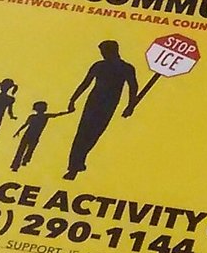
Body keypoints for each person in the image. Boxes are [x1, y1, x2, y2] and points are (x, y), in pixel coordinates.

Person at [64, 40, 138, 180]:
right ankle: (74, 167)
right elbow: (85, 83)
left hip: (108, 105)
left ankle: (78, 163)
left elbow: (133, 87)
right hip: (93, 102)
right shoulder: (99, 66)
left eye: (104, 52)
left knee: (94, 134)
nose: (103, 54)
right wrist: (73, 99)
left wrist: (130, 106)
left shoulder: (126, 68)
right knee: (82, 134)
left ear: (113, 51)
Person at [10, 102, 70, 170]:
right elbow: (25, 124)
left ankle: (24, 161)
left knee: (29, 149)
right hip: (28, 135)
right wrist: (18, 131)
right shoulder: (33, 116)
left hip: (34, 136)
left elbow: (57, 114)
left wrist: (67, 112)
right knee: (23, 149)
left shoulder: (45, 116)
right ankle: (16, 165)